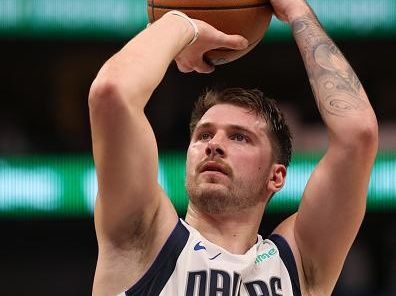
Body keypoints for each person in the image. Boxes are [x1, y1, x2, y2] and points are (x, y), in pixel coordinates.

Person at [88, 0, 378, 295]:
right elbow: (112, 94)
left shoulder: (297, 264)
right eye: (203, 136)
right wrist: (183, 24)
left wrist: (297, 12)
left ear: (275, 176)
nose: (214, 145)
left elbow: (357, 136)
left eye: (239, 137)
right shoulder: (145, 237)